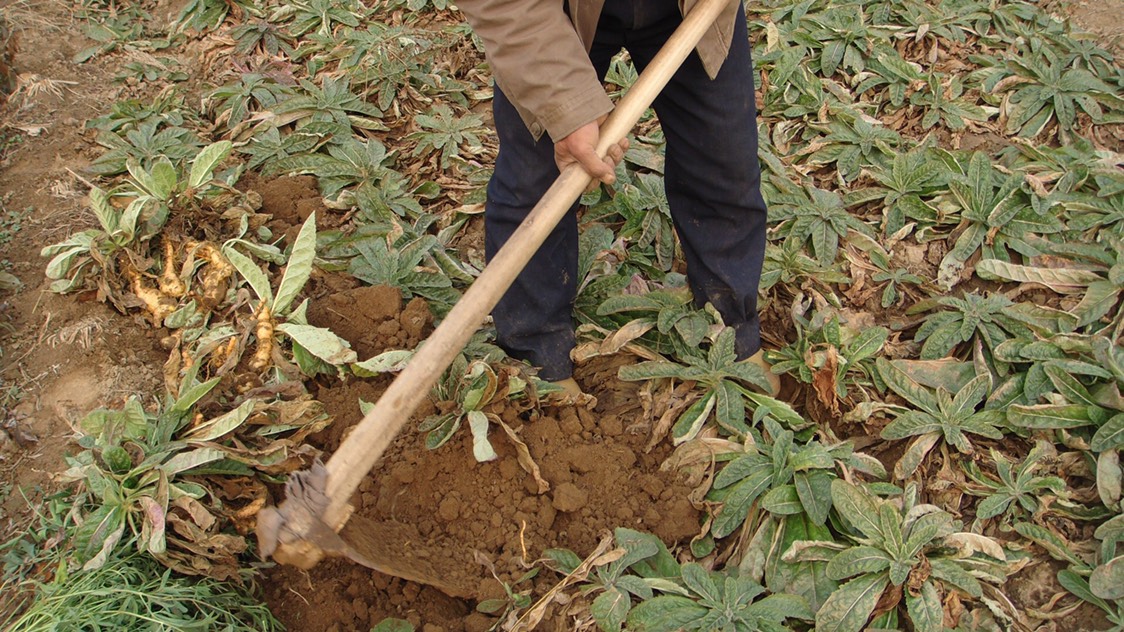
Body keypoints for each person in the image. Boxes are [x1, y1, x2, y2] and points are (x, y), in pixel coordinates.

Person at [458, 0, 779, 396]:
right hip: (549, 13)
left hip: (691, 7)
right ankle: (537, 354)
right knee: (535, 180)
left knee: (722, 162)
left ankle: (733, 330)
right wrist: (566, 107)